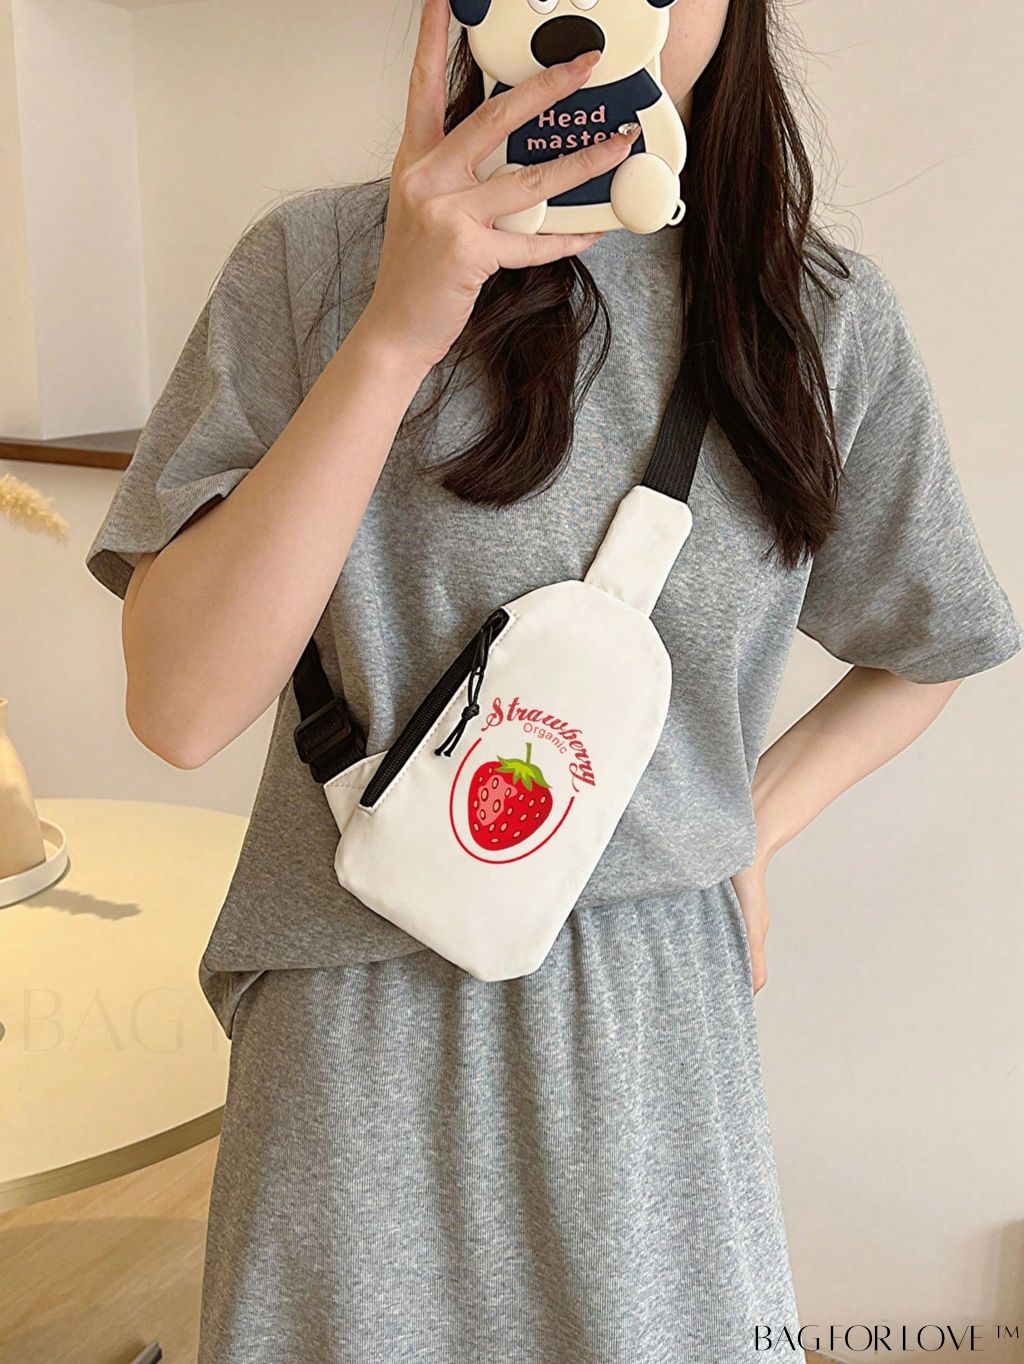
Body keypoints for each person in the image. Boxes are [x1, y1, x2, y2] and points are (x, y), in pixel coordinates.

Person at [85, 0, 1021, 1358]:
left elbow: (931, 648)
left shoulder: (815, 319)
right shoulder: (312, 269)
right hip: (355, 1030)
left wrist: (752, 826)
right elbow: (178, 710)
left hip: (660, 1043)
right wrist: (396, 330)